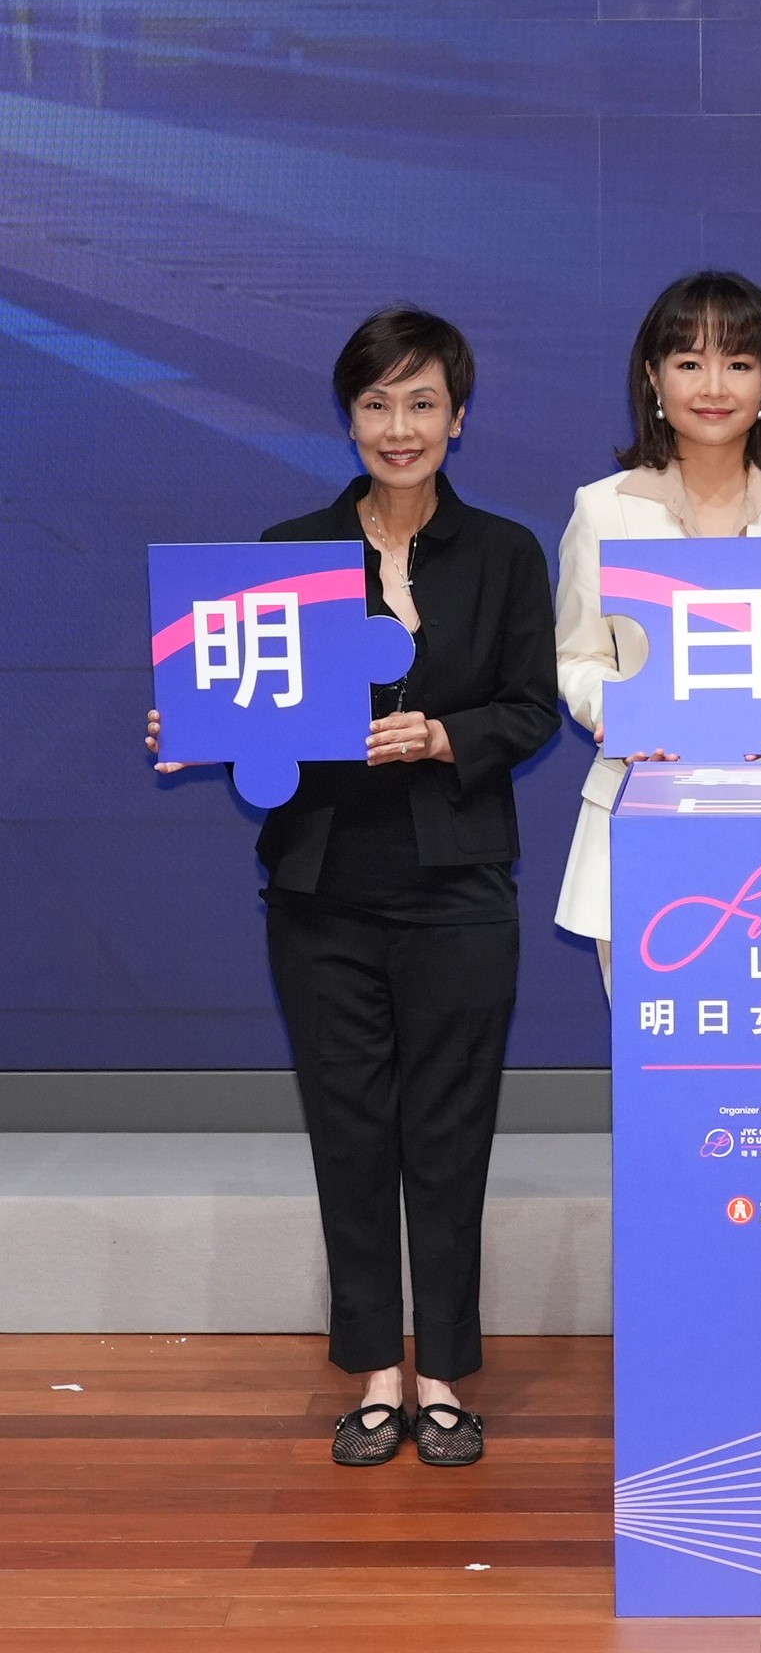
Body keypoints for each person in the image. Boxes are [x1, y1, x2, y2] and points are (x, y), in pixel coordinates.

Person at [147, 307, 558, 1467]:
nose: (400, 425)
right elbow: (243, 699)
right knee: (350, 1132)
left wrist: (446, 736)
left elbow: (531, 706)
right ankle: (375, 1370)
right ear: (349, 417)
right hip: (323, 886)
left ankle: (445, 1376)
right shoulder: (290, 555)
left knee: (448, 1132)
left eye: (422, 403)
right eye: (377, 403)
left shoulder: (508, 555)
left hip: (460, 883)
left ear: (459, 419)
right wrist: (191, 723)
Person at [553, 270, 761, 990]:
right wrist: (616, 712)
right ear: (653, 379)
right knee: (666, 1066)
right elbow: (577, 656)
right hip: (646, 808)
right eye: (689, 362)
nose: (713, 385)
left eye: (737, 363)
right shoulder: (603, 508)